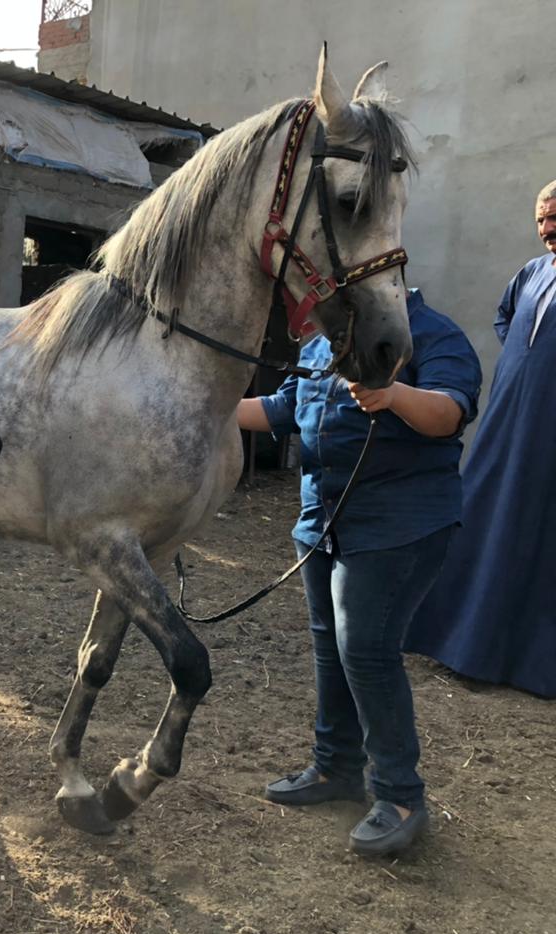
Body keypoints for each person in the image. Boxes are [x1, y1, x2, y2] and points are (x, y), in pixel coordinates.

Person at [237, 288, 481, 857]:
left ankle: (400, 797)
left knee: (367, 651)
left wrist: (392, 394)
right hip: (324, 521)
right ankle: (335, 770)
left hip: (399, 525)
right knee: (333, 648)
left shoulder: (431, 332)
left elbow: (448, 414)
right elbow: (281, 411)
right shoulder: (329, 341)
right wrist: (201, 401)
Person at [405, 182, 556, 698]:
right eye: (540, 219)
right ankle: (460, 641)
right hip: (507, 421)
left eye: (555, 217)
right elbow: (507, 318)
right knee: (484, 518)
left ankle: (530, 661)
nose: (547, 228)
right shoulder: (531, 274)